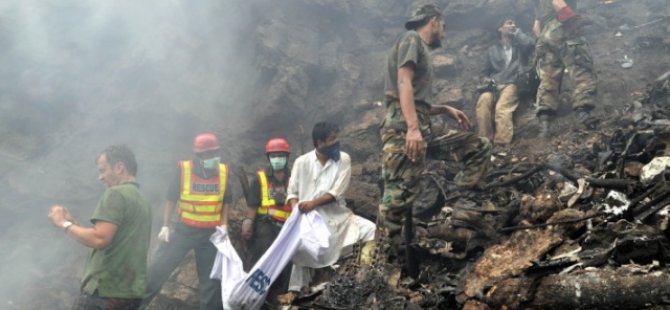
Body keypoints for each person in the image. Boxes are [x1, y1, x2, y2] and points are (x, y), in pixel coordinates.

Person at [379, 3, 492, 236]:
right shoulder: (411, 39)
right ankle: (384, 256)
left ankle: (461, 208)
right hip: (403, 129)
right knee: (398, 196)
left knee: (477, 146)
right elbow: (403, 83)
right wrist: (412, 129)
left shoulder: (419, 47)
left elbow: (415, 100)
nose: (444, 32)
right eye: (443, 26)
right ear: (434, 21)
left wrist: (443, 109)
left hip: (422, 126)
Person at [278, 122, 375, 304]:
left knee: (370, 229)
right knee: (301, 243)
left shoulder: (343, 159)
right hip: (309, 218)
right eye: (332, 139)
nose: (337, 142)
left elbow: (336, 193)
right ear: (319, 143)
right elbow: (292, 193)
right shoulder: (301, 162)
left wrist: (312, 203)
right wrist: (295, 214)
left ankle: (364, 274)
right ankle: (295, 290)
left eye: (336, 137)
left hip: (338, 216)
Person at [48, 145, 152, 310]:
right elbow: (112, 242)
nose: (100, 177)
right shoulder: (142, 200)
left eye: (103, 170)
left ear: (119, 167)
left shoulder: (115, 193)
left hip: (104, 293)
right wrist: (74, 223)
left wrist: (63, 223)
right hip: (130, 294)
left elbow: (100, 239)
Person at [140, 133, 232, 310]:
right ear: (199, 155)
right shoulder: (184, 170)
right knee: (157, 270)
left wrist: (224, 225)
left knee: (211, 282)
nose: (213, 157)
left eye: (215, 153)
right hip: (185, 231)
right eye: (209, 154)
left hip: (210, 235)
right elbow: (170, 198)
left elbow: (226, 201)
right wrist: (166, 226)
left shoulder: (223, 172)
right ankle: (134, 306)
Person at [533, 0, 597, 138]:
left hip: (545, 37)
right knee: (581, 68)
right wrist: (573, 20)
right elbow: (557, 2)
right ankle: (584, 115)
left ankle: (544, 126)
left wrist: (543, 43)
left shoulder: (539, 4)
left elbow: (536, 26)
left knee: (548, 79)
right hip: (562, 29)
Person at [241, 137, 293, 308]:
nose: (277, 158)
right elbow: (252, 205)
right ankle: (258, 297)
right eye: (274, 155)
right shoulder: (261, 178)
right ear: (269, 157)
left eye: (280, 155)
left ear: (286, 156)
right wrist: (248, 224)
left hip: (287, 227)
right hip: (266, 224)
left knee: (288, 260)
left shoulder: (293, 177)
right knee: (265, 255)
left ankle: (282, 296)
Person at [476, 17, 535, 145]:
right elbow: (484, 72)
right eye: (509, 23)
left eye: (514, 23)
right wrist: (486, 80)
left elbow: (531, 45)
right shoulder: (492, 50)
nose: (513, 25)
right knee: (483, 101)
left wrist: (518, 33)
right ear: (500, 29)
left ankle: (501, 144)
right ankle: (485, 142)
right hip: (495, 85)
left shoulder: (520, 47)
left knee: (502, 108)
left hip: (513, 83)